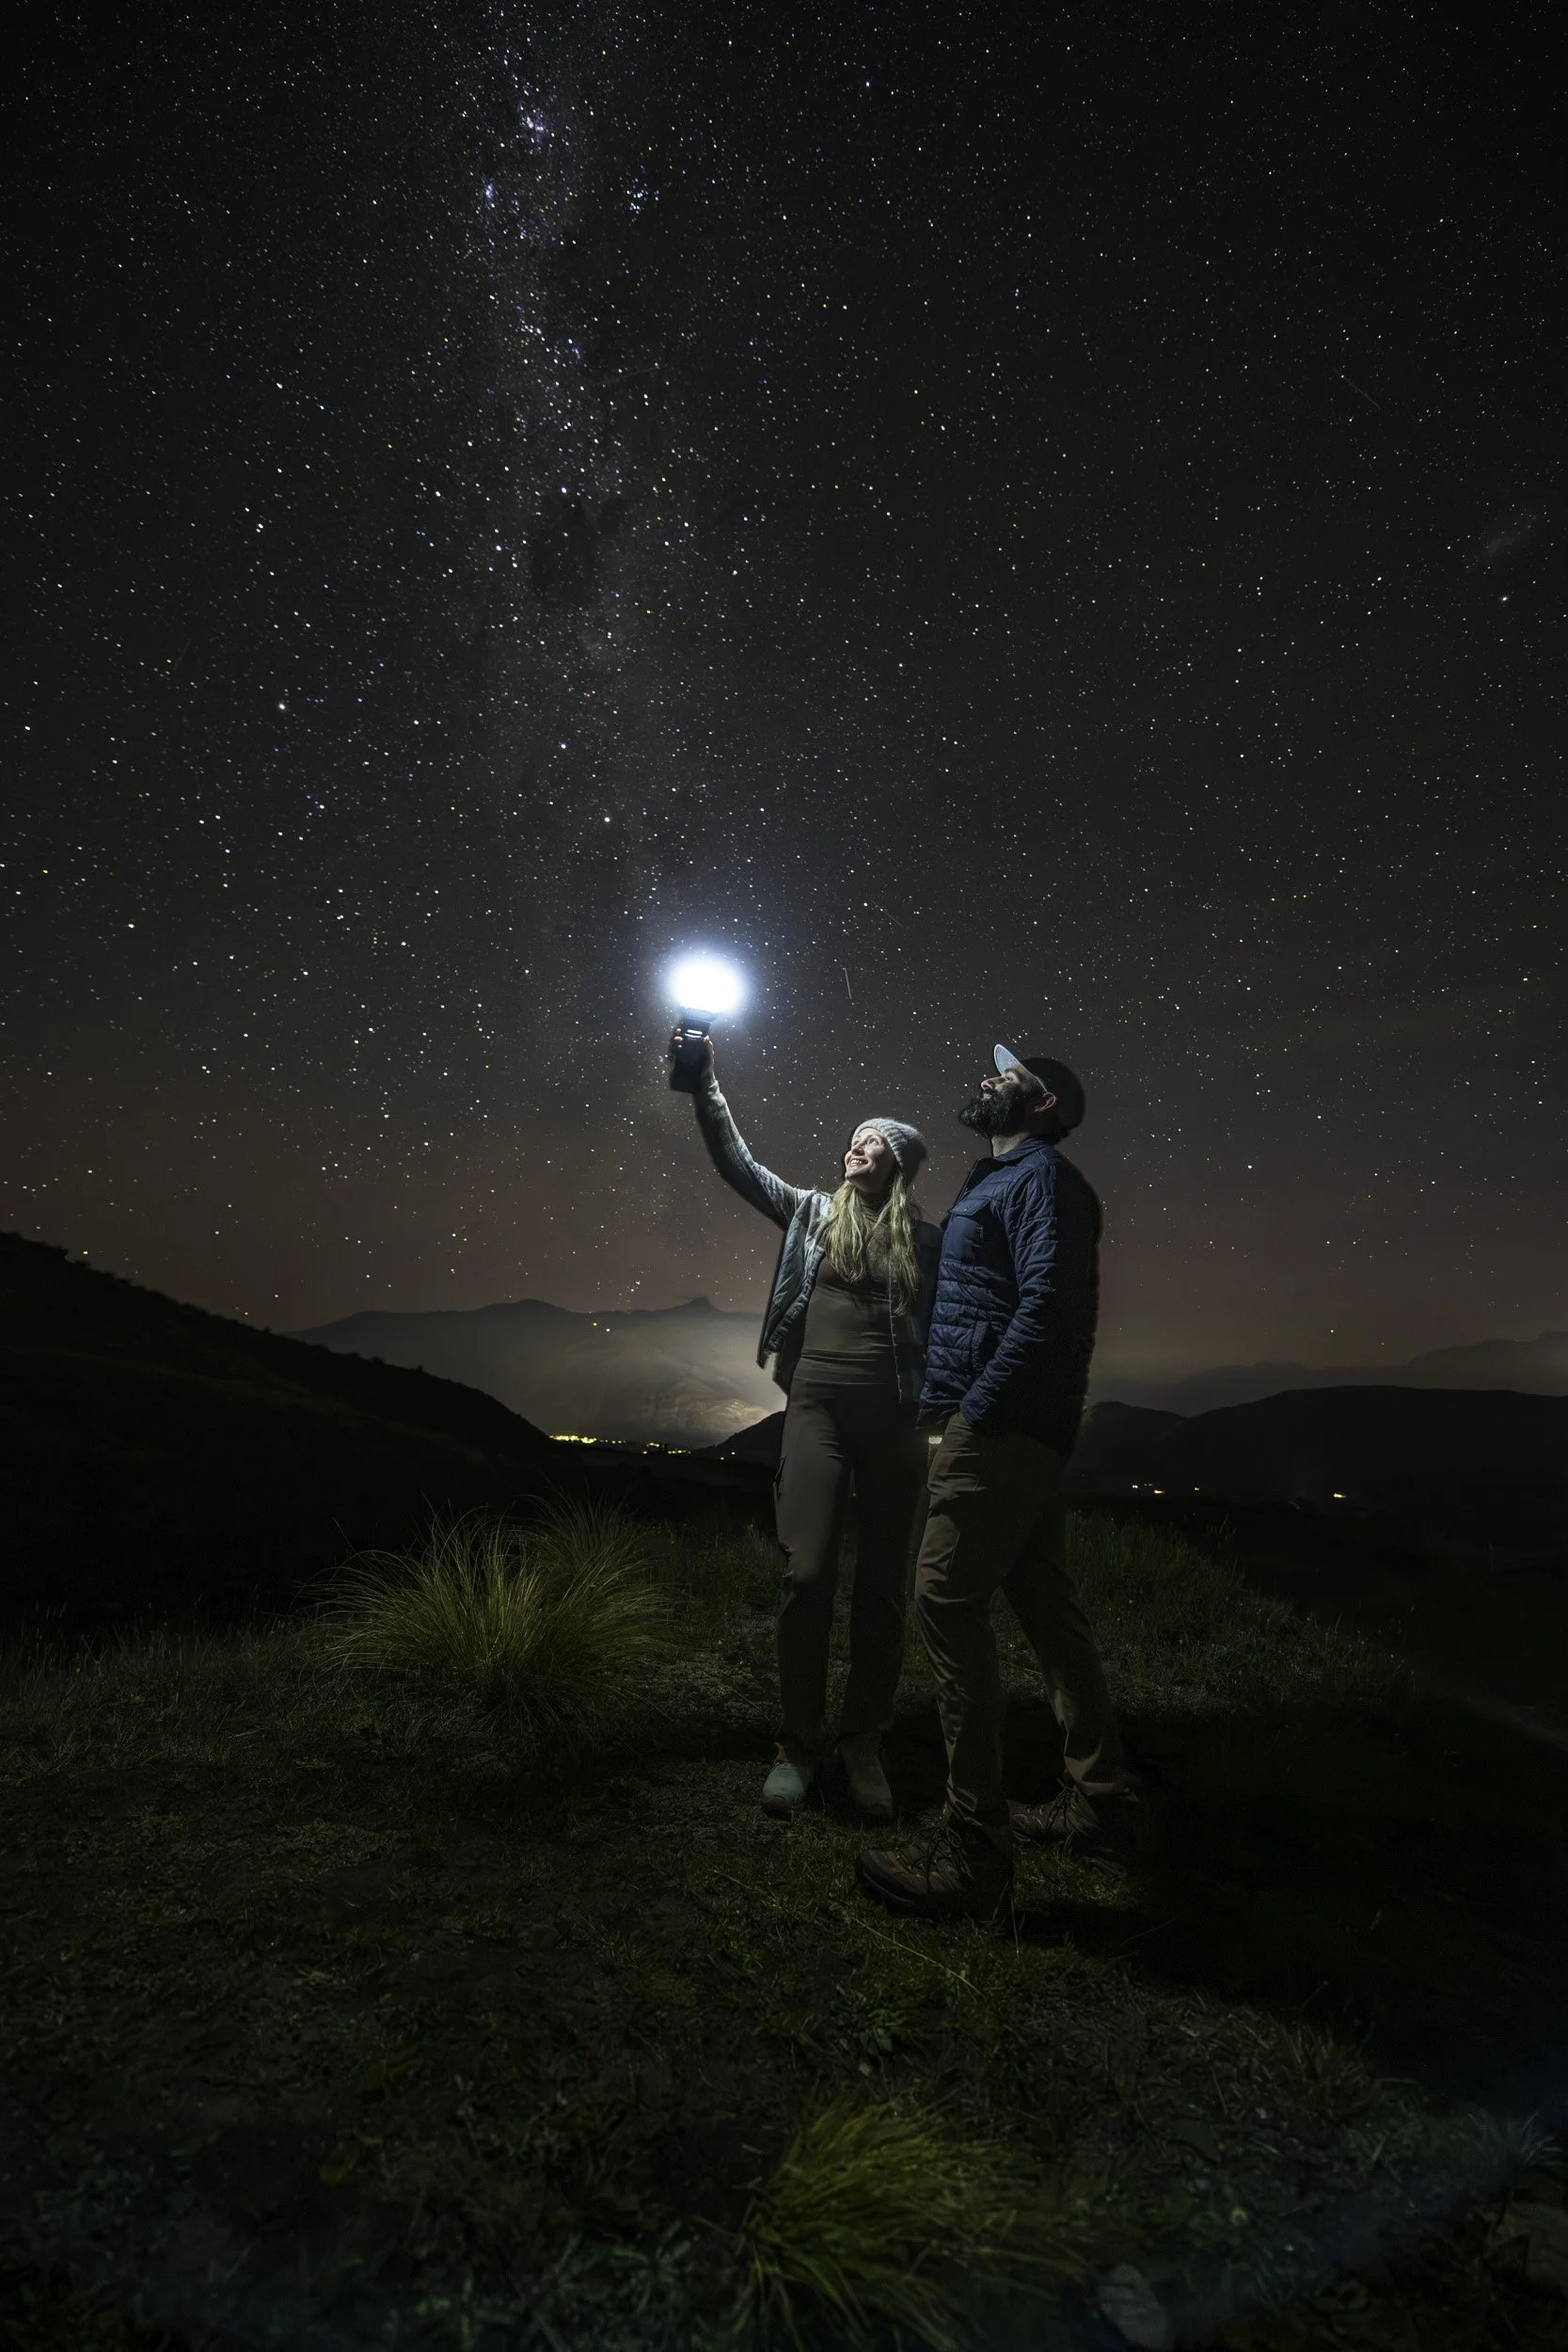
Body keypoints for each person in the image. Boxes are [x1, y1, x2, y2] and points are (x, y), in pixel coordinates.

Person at [855, 1043, 1141, 1920]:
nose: (986, 1079)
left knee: (943, 1600)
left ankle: (974, 1848)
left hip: (1002, 1424)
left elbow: (1047, 1305)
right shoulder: (1001, 1177)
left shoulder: (1041, 1179)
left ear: (1042, 1102)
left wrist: (974, 1411)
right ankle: (1100, 1801)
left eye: (1005, 1075)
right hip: (1018, 1422)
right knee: (1046, 1605)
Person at [674, 1027, 941, 1822]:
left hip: (895, 1420)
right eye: (853, 1139)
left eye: (871, 1142)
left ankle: (862, 1742)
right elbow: (738, 1164)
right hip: (816, 1408)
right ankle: (796, 1745)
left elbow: (957, 1325)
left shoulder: (928, 1241)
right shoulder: (812, 1213)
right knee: (807, 1574)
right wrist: (703, 1083)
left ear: (898, 1163)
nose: (854, 1148)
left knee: (882, 1590)